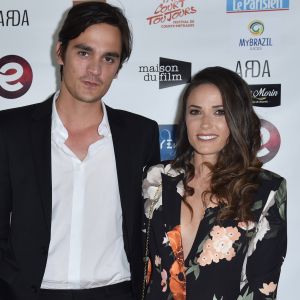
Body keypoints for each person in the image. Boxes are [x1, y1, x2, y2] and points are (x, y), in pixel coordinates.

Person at [0, 2, 160, 300]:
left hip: (117, 292)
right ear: (60, 52)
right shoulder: (10, 131)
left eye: (108, 58)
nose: (95, 70)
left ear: (118, 68)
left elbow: (150, 228)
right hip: (31, 293)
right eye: (84, 52)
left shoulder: (141, 135)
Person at [142, 66, 287, 300]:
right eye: (195, 111)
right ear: (185, 118)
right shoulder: (157, 178)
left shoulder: (265, 190)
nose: (205, 124)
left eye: (219, 112)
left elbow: (261, 288)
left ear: (236, 118)